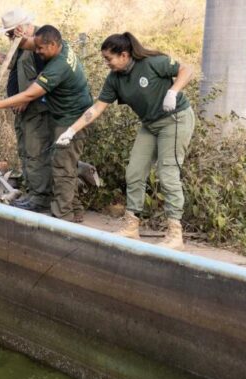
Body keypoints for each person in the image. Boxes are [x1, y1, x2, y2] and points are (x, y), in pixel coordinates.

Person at [53, 32, 195, 250]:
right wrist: (71, 130)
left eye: (109, 59)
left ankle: (175, 234)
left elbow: (187, 69)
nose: (107, 64)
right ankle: (131, 226)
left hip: (175, 120)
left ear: (124, 55)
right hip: (150, 124)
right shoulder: (114, 80)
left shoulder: (153, 63)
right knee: (134, 172)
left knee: (168, 174)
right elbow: (96, 108)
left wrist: (173, 92)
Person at [0, 25, 93, 222]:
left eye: (40, 49)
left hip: (71, 118)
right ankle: (74, 210)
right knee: (64, 164)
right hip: (64, 116)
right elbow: (29, 46)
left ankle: (63, 216)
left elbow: (32, 92)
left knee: (62, 166)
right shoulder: (55, 43)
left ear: (51, 45)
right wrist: (14, 40)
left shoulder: (58, 65)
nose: (38, 52)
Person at [0, 8, 51, 212]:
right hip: (21, 110)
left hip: (35, 109)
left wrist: (27, 99)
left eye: (10, 33)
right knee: (25, 150)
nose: (9, 37)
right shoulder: (21, 44)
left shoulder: (41, 43)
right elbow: (13, 64)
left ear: (22, 28)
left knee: (35, 153)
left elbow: (47, 76)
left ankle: (40, 199)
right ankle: (32, 192)